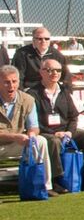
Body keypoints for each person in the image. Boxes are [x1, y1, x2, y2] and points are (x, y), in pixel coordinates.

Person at [29, 58, 84, 193]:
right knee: (54, 141)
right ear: (41, 72)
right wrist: (53, 133)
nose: (54, 73)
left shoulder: (64, 91)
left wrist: (69, 132)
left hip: (65, 131)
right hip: (45, 132)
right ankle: (58, 181)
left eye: (58, 70)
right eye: (50, 70)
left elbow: (73, 116)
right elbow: (33, 121)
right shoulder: (33, 94)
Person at [0, 64, 53, 195]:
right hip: (5, 141)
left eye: (14, 81)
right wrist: (15, 137)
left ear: (19, 82)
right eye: (6, 82)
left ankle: (44, 186)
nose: (11, 86)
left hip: (18, 142)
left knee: (40, 141)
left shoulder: (28, 100)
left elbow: (34, 127)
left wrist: (31, 135)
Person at [13, 27, 72, 92]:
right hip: (30, 89)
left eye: (46, 39)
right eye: (40, 39)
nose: (43, 41)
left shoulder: (57, 55)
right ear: (33, 40)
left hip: (51, 89)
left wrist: (67, 94)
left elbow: (66, 77)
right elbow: (17, 76)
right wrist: (21, 95)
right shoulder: (22, 54)